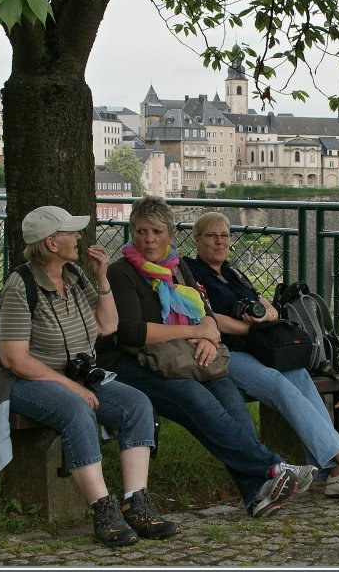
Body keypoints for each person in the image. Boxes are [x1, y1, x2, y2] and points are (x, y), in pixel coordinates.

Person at [0, 205, 180, 547]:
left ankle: (135, 503)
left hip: (75, 376)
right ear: (51, 243)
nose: (78, 237)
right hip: (24, 382)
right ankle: (103, 511)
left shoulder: (74, 275)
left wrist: (102, 278)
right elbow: (14, 358)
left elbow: (108, 325)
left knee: (137, 404)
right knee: (76, 410)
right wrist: (72, 388)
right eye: (71, 232)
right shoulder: (20, 286)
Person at [96, 196, 314, 517]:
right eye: (141, 231)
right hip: (130, 363)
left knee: (229, 398)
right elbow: (130, 333)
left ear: (169, 234)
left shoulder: (177, 267)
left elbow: (206, 312)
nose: (149, 239)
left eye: (157, 231)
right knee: (195, 398)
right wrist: (193, 331)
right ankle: (272, 467)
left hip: (181, 355)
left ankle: (257, 495)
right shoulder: (122, 272)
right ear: (132, 233)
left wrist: (209, 335)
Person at [183, 211, 339, 499]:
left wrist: (266, 314)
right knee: (276, 383)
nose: (219, 241)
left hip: (258, 348)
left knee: (300, 376)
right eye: (211, 236)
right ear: (197, 239)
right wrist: (250, 328)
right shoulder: (190, 271)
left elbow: (263, 302)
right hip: (224, 351)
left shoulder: (232, 272)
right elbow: (207, 315)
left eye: (224, 235)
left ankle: (336, 473)